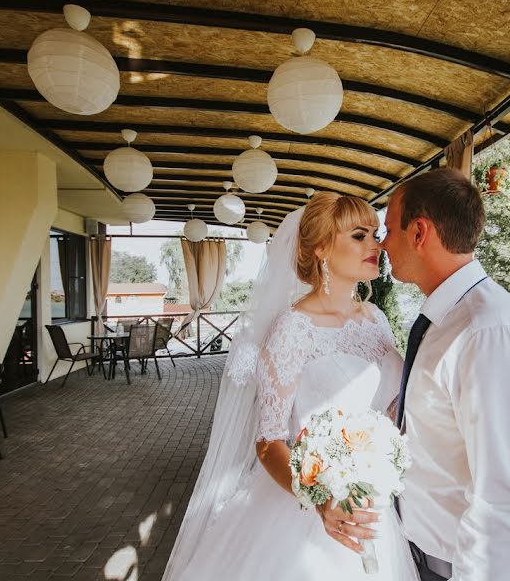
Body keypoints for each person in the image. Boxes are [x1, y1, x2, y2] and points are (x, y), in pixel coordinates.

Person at [161, 193, 418, 581]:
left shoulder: (376, 318)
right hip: (305, 515)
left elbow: (391, 404)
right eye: (359, 235)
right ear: (321, 250)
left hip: (372, 503)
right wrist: (320, 499)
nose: (376, 245)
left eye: (376, 234)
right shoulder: (293, 328)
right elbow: (269, 441)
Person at [319, 168, 510, 581]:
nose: (383, 244)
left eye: (389, 230)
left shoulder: (489, 333)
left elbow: (506, 503)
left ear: (419, 233)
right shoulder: (445, 320)